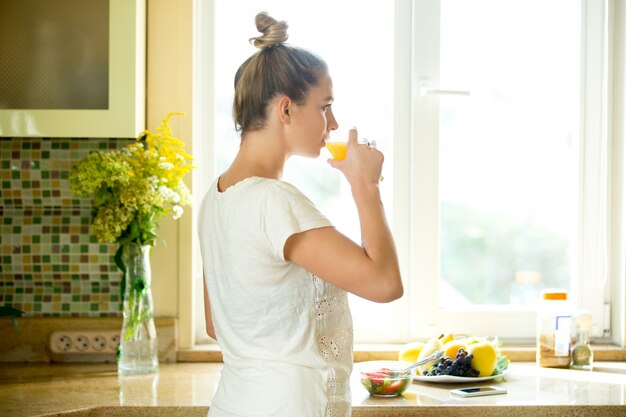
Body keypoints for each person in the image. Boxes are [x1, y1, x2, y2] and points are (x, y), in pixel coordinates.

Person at [197, 12, 403, 417]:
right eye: (325, 106)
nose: (334, 123)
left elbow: (216, 326)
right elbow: (384, 284)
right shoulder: (274, 201)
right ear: (286, 110)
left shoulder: (215, 198)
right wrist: (367, 186)